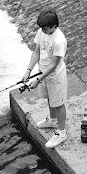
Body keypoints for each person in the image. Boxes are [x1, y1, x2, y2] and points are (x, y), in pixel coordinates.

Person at [22, 9, 68, 149]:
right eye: (41, 28)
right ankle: (52, 121)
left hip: (55, 76)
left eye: (45, 28)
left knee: (59, 103)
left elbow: (54, 65)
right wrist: (28, 71)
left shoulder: (59, 41)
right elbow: (37, 52)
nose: (42, 30)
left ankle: (61, 132)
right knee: (50, 98)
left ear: (54, 26)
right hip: (43, 72)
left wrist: (38, 80)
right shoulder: (42, 32)